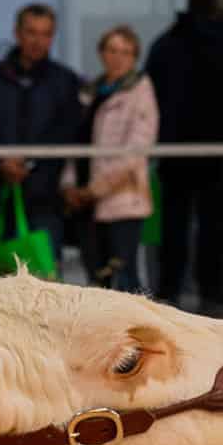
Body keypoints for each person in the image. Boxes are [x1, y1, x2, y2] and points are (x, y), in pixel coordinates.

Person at [144, 0, 223, 309]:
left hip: (175, 150)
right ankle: (210, 290)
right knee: (213, 225)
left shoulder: (166, 44)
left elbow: (152, 94)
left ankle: (169, 288)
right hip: (220, 151)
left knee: (175, 224)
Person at [0, 3, 83, 264]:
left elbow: (66, 131)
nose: (38, 41)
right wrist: (1, 161)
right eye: (31, 32)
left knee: (44, 283)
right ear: (17, 33)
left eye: (46, 34)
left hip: (44, 195)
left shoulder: (65, 81)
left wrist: (30, 164)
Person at [64, 25, 157, 294]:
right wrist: (69, 185)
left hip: (121, 200)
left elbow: (136, 151)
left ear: (135, 57)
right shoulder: (89, 92)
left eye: (126, 52)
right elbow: (74, 140)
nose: (118, 57)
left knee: (124, 279)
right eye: (113, 50)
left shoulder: (141, 91)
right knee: (95, 280)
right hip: (84, 200)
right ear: (102, 53)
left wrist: (94, 190)